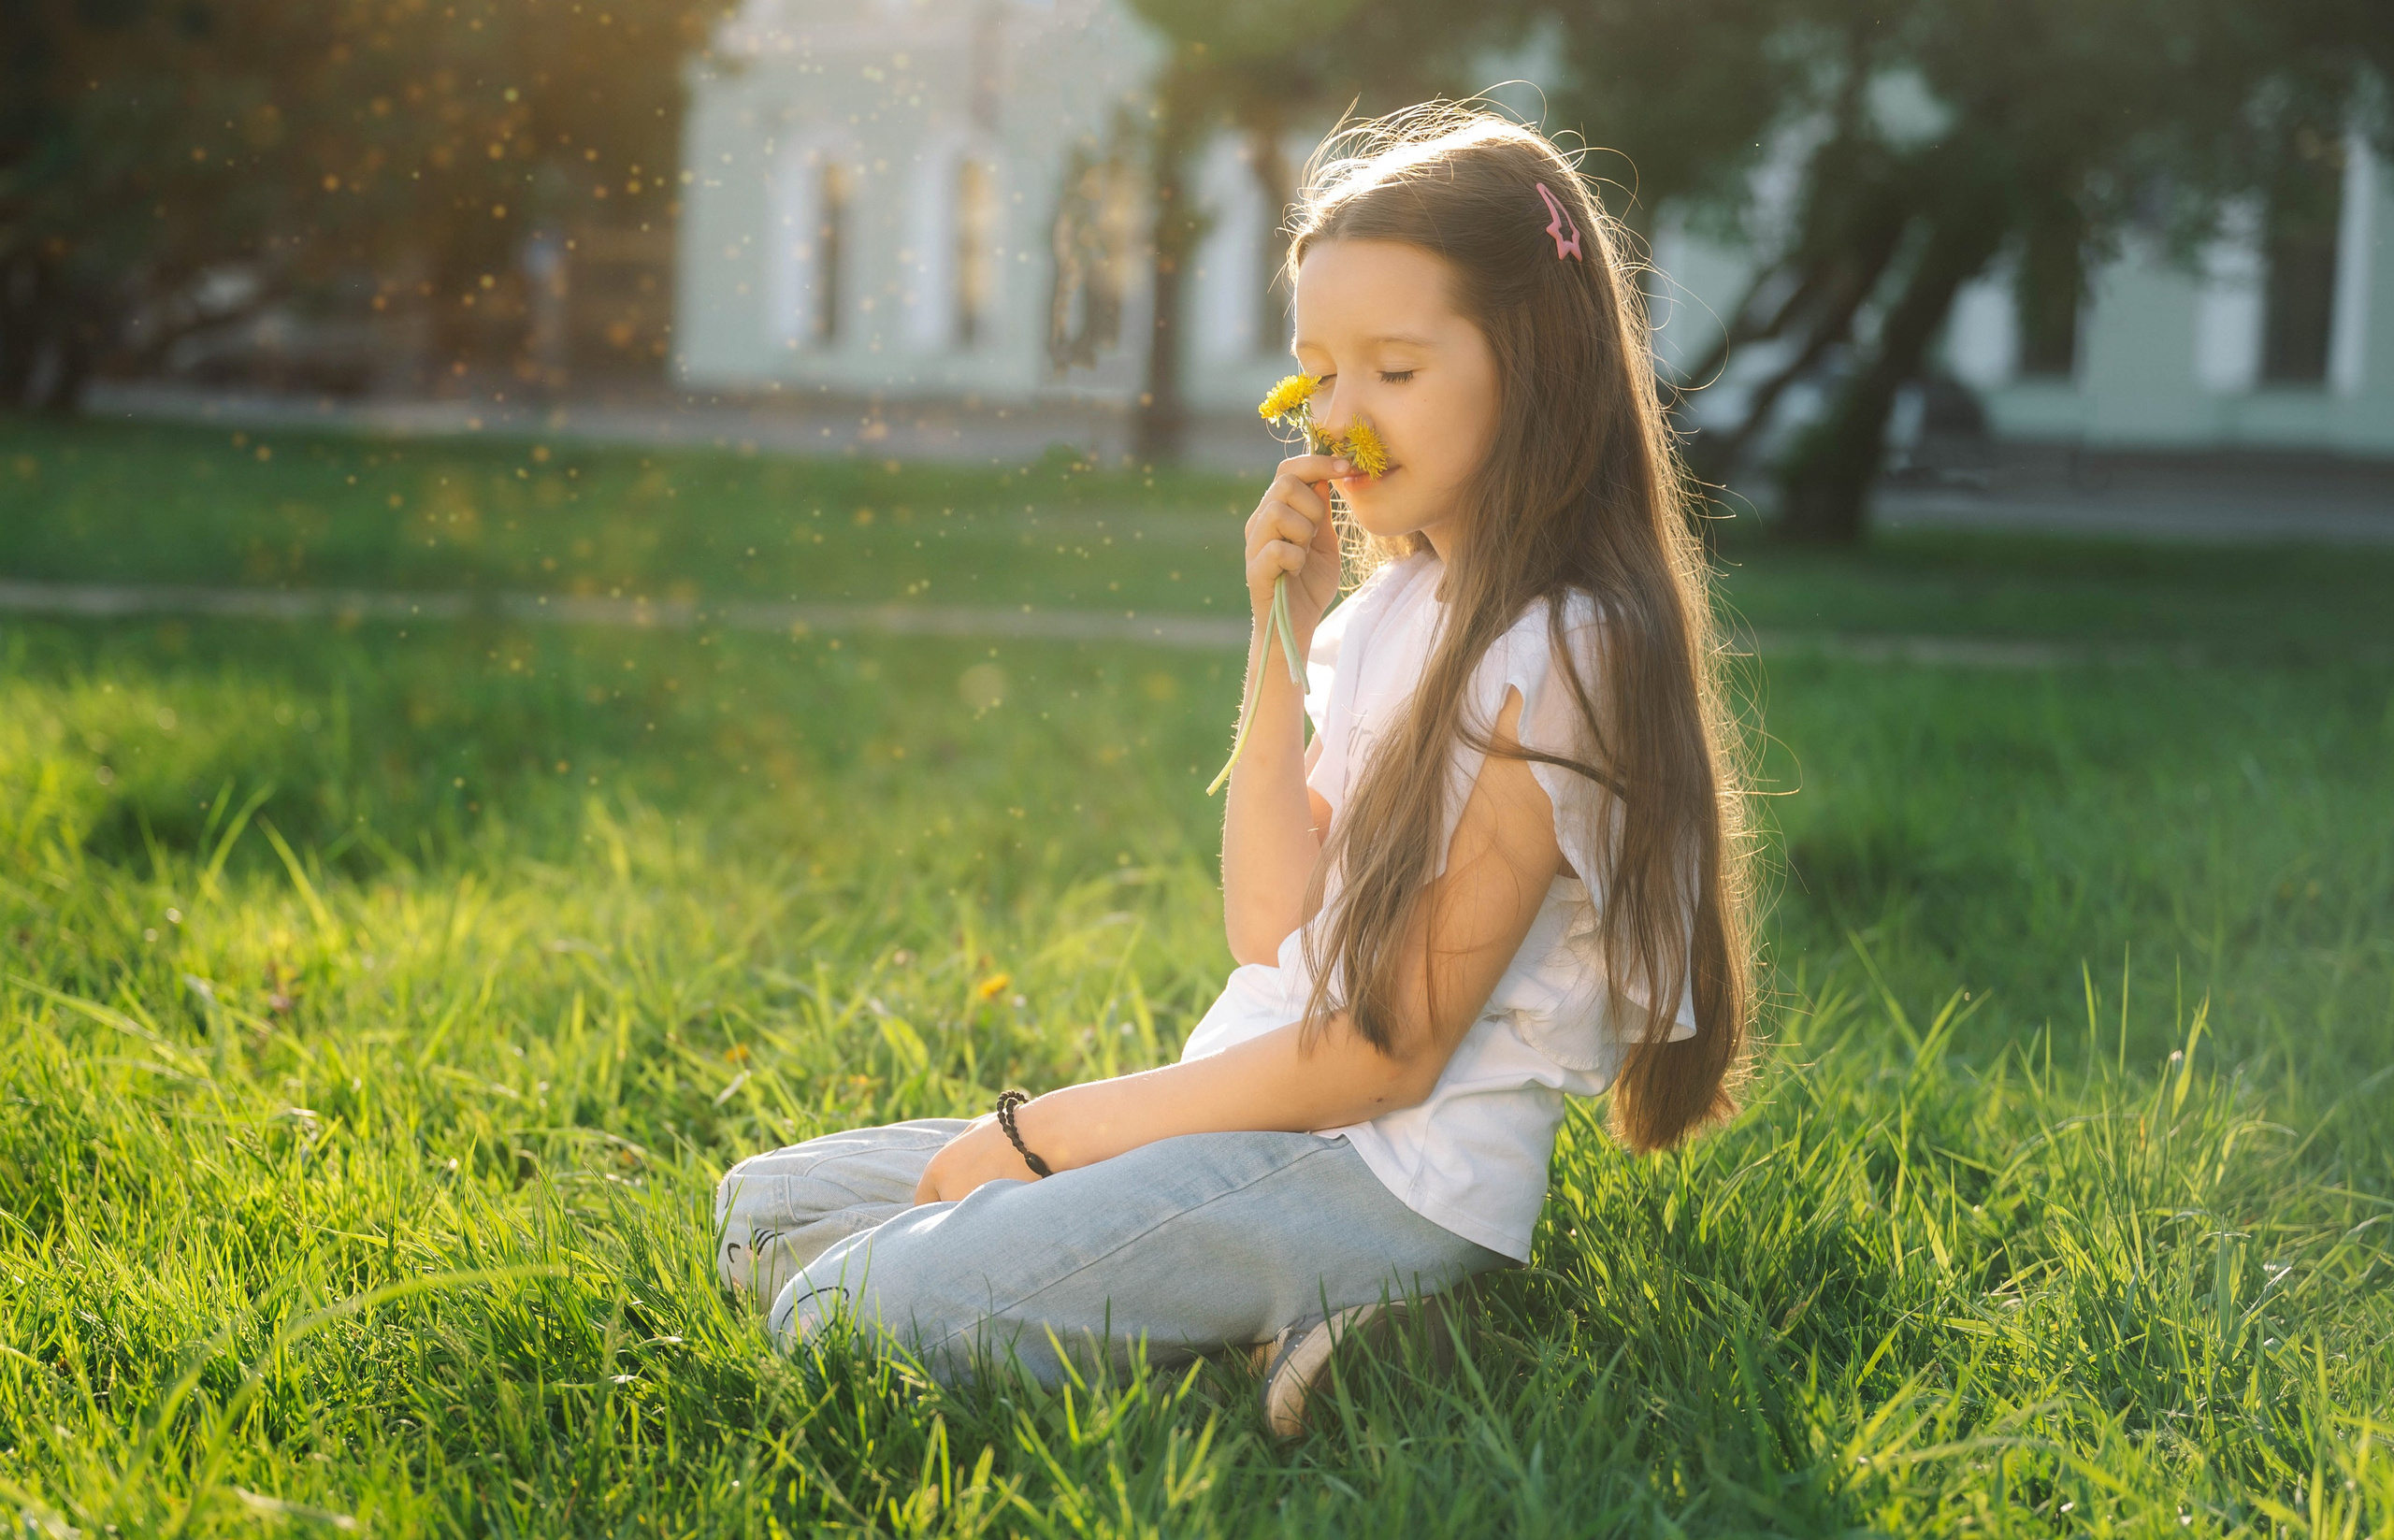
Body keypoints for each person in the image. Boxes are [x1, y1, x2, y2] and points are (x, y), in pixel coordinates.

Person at [713, 104, 1756, 1436]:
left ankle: (1396, 1310)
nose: (1342, 420)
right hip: (1274, 1129)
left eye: (1394, 369)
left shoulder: (1562, 649)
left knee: (834, 1321)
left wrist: (1053, 1137)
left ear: (1534, 368)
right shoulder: (1408, 608)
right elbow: (1274, 932)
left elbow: (1384, 1057)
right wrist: (1286, 633)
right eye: (1317, 374)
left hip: (1383, 1180)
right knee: (767, 1207)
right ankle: (1297, 1339)